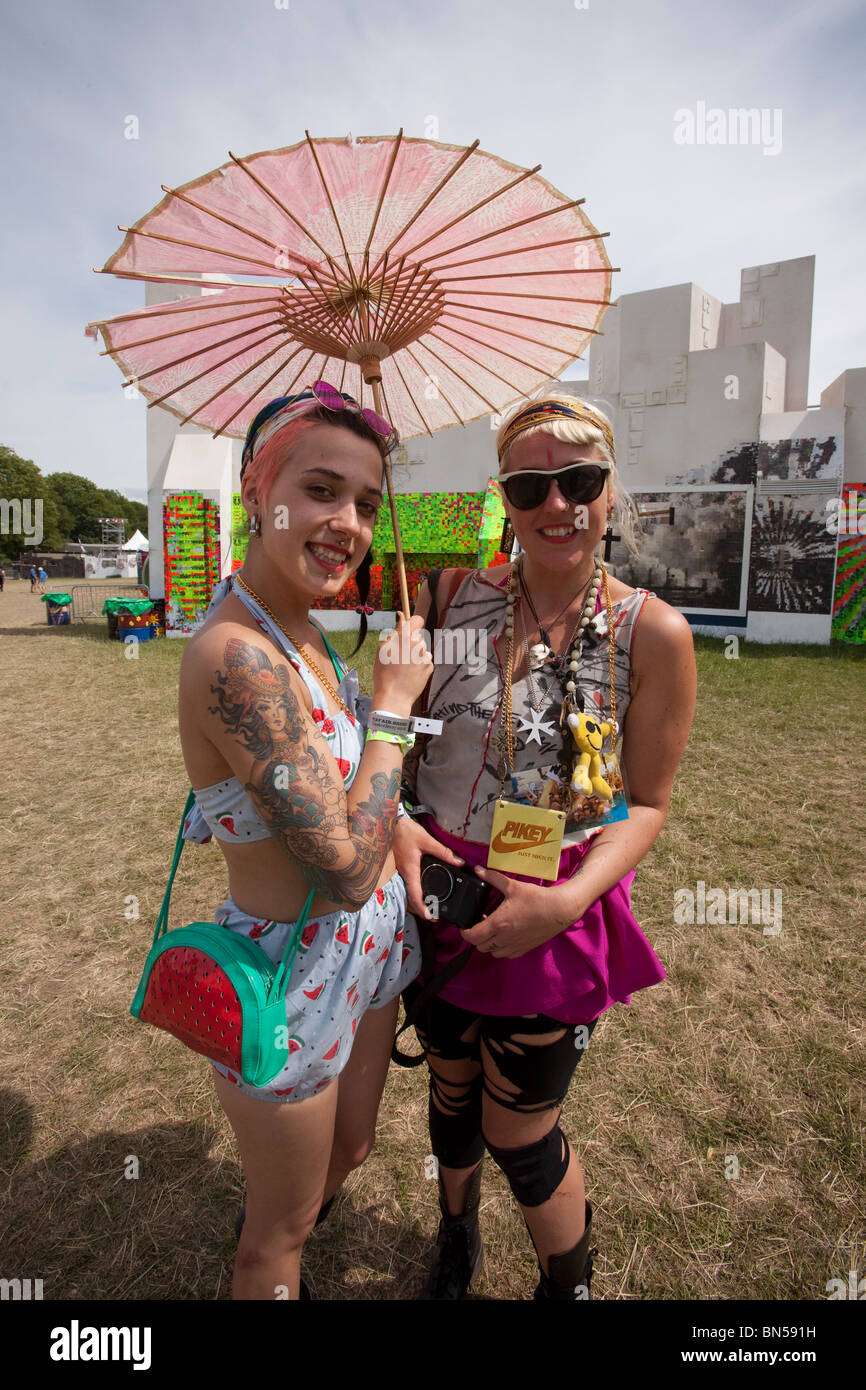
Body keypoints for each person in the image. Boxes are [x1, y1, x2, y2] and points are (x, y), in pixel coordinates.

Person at [393, 393, 697, 1300]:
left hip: (558, 899)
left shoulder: (656, 632)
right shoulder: (445, 595)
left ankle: (567, 1288)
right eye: (531, 485)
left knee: (520, 1128)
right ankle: (457, 1239)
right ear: (506, 497)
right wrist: (398, 809)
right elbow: (386, 740)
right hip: (441, 886)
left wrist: (564, 903)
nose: (556, 503)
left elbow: (645, 804)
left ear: (610, 494)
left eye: (580, 480)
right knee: (449, 1094)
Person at [178, 383, 432, 1300]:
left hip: (367, 962)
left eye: (367, 502)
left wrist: (409, 828)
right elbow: (345, 870)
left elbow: (362, 802)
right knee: (275, 1238)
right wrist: (396, 708)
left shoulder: (312, 638)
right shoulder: (235, 655)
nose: (349, 523)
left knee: (354, 1145)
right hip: (289, 980)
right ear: (259, 490)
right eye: (322, 490)